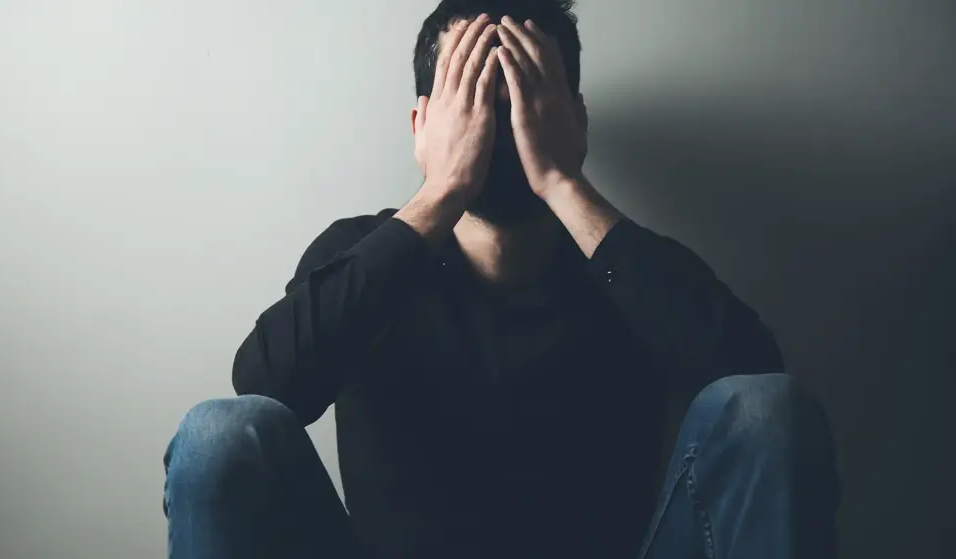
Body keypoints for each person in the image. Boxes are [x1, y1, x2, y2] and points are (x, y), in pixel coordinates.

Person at [162, 1, 840, 557]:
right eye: (473, 101)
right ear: (422, 124)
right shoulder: (360, 253)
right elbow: (265, 386)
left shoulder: (633, 268)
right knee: (221, 431)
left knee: (763, 407)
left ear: (573, 118)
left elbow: (760, 408)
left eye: (519, 98)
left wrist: (559, 180)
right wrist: (445, 184)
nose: (496, 127)